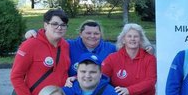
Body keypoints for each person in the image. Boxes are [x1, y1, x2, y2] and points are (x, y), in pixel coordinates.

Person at [24, 20, 154, 76]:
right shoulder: (68, 45)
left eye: (96, 33)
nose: (92, 36)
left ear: (101, 35)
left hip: (101, 94)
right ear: (80, 34)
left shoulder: (110, 48)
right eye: (88, 33)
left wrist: (148, 47)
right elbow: (51, 37)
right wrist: (33, 31)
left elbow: (131, 46)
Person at [11, 9, 71, 95]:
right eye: (55, 24)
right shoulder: (30, 45)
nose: (59, 28)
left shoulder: (65, 45)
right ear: (46, 25)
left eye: (63, 25)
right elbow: (16, 77)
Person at [101, 23, 157, 95]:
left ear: (140, 40)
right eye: (129, 36)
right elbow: (100, 77)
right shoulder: (112, 58)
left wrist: (129, 90)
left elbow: (150, 81)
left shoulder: (150, 58)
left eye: (136, 36)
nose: (132, 39)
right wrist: (77, 78)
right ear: (123, 40)